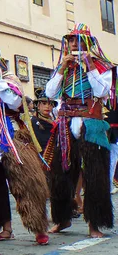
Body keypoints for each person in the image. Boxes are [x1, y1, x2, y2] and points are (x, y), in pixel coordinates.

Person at [0, 45, 49, 245]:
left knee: (25, 183)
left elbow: (15, 103)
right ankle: (5, 229)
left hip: (10, 136)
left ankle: (38, 227)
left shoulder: (9, 80)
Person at [44, 23, 115, 238]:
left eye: (79, 40)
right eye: (72, 40)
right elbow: (50, 92)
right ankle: (62, 219)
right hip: (65, 126)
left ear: (89, 43)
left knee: (95, 175)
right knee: (61, 174)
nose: (75, 44)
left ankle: (95, 224)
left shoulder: (103, 66)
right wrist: (62, 69)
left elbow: (102, 91)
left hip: (91, 125)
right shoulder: (64, 67)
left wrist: (90, 66)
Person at [31, 88, 57, 155]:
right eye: (44, 103)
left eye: (50, 104)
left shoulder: (54, 122)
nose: (47, 106)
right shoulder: (33, 121)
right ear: (38, 106)